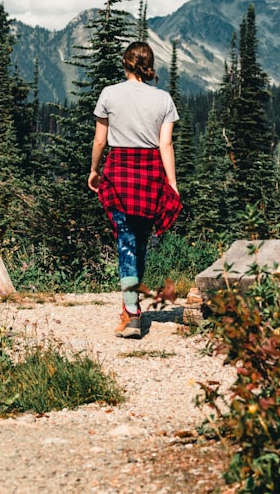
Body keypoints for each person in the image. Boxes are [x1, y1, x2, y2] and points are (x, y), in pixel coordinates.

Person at [88, 41, 181, 338]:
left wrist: (94, 169)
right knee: (138, 241)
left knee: (126, 240)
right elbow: (165, 144)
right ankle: (131, 306)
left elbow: (100, 140)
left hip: (119, 171)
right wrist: (172, 183)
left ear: (125, 63)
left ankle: (131, 314)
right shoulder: (163, 99)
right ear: (150, 64)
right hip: (151, 172)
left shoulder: (109, 94)